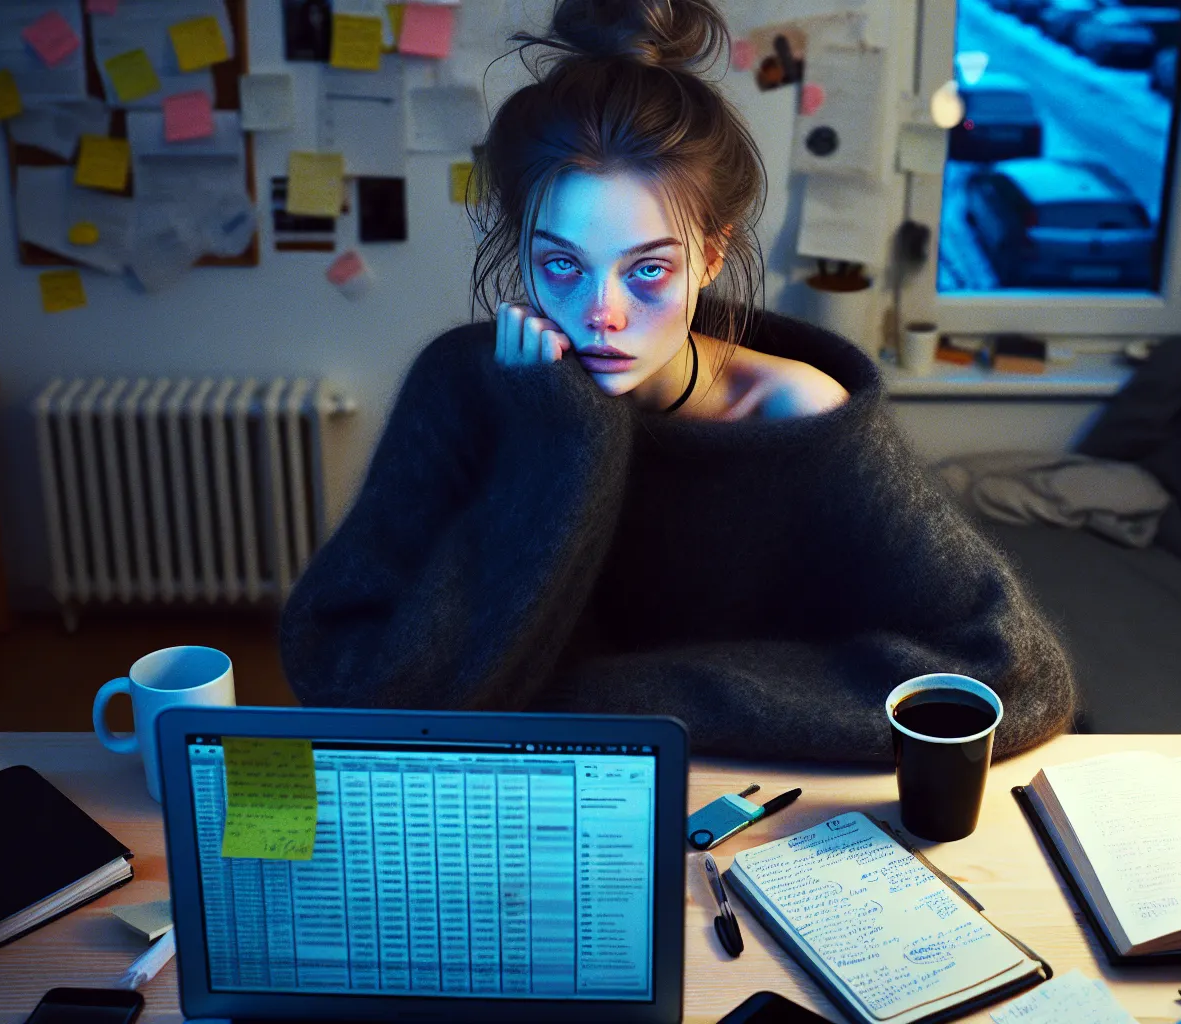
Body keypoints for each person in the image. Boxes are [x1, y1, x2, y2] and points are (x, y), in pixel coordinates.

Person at [279, 0, 1076, 761]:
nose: (602, 315)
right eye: (561, 264)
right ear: (518, 250)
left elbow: (1017, 673)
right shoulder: (462, 384)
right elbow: (348, 678)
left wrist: (624, 703)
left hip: (737, 803)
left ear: (712, 254)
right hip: (505, 804)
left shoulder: (797, 418)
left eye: (649, 270)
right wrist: (553, 444)